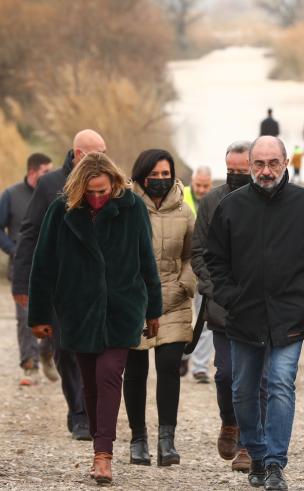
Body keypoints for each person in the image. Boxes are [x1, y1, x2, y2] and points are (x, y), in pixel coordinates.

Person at [205, 135, 304, 491]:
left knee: (279, 384)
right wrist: (229, 296)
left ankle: (275, 462)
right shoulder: (231, 207)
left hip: (290, 314)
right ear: (249, 167)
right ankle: (257, 454)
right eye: (258, 164)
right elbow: (215, 258)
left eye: (272, 163)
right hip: (243, 314)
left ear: (285, 164)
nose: (265, 170)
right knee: (243, 391)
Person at [27, 152, 162, 485]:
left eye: (103, 190)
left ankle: (104, 455)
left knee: (108, 375)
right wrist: (39, 315)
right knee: (89, 382)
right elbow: (43, 264)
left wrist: (153, 310)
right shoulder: (61, 211)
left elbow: (147, 260)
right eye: (92, 192)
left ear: (113, 183)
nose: (98, 197)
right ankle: (98, 448)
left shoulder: (131, 208)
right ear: (79, 188)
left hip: (123, 307)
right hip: (77, 309)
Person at [13, 129, 107, 441]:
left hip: (97, 285)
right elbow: (30, 233)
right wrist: (22, 281)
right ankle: (78, 411)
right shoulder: (51, 184)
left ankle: (90, 412)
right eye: (97, 154)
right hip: (59, 286)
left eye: (105, 152)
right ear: (79, 154)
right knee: (65, 351)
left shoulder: (111, 182)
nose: (103, 159)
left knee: (95, 350)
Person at [190, 140, 260, 472]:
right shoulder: (211, 202)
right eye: (231, 171)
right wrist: (213, 287)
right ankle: (229, 421)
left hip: (258, 306)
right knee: (226, 375)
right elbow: (199, 252)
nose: (236, 177)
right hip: (221, 305)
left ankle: (248, 444)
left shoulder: (265, 200)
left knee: (254, 378)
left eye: (242, 172)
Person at [123, 149, 196, 467]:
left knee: (169, 369)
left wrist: (185, 285)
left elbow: (195, 255)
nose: (161, 180)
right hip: (135, 302)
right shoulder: (125, 206)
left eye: (166, 174)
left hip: (174, 302)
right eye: (155, 175)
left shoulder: (185, 210)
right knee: (135, 372)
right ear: (142, 175)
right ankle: (138, 439)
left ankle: (168, 440)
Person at [0, 152, 56, 386]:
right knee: (26, 318)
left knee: (55, 316)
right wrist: (14, 250)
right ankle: (30, 366)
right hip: (22, 268)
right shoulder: (11, 195)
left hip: (53, 268)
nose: (50, 176)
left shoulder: (55, 193)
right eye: (46, 172)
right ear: (32, 172)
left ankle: (48, 352)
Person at [185, 165, 214, 383]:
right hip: (183, 267)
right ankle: (185, 354)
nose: (202, 189)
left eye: (206, 185)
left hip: (205, 268)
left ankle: (200, 367)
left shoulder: (217, 201)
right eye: (198, 185)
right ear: (192, 182)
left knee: (205, 317)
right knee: (183, 319)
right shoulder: (180, 197)